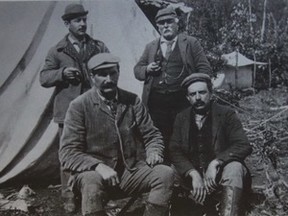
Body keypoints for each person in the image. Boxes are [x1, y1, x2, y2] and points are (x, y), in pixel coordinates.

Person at [59, 53, 175, 216]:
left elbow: (152, 135)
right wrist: (98, 166)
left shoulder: (132, 100)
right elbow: (68, 153)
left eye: (112, 73)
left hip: (130, 171)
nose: (108, 79)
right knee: (91, 181)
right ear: (92, 77)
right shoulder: (79, 106)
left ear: (118, 72)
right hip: (94, 175)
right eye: (102, 74)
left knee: (165, 173)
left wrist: (154, 151)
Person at [39, 3, 109, 212]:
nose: (82, 24)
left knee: (96, 150)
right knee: (68, 153)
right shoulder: (57, 50)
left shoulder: (98, 46)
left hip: (94, 108)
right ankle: (68, 194)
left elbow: (111, 67)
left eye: (84, 20)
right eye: (77, 21)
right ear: (67, 24)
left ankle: (95, 190)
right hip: (68, 111)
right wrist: (62, 73)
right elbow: (44, 77)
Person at [169, 73, 252, 216]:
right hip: (194, 178)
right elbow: (174, 149)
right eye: (193, 94)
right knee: (169, 172)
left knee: (235, 167)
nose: (198, 97)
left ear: (211, 93)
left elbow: (243, 144)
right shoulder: (181, 117)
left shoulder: (226, 114)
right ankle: (179, 209)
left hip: (220, 176)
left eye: (202, 92)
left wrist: (216, 162)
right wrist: (193, 173)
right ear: (188, 98)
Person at [134, 6, 212, 153]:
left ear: (177, 23)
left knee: (184, 136)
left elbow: (205, 69)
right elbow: (137, 71)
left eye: (169, 21)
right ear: (157, 26)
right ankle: (164, 170)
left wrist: (194, 87)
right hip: (156, 102)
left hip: (181, 100)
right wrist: (147, 69)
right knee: (159, 137)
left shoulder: (190, 43)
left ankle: (185, 169)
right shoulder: (151, 46)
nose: (165, 26)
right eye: (162, 23)